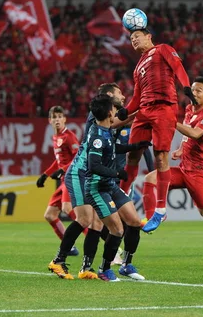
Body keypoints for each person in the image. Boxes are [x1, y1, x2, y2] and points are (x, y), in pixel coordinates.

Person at [141, 78, 203, 273]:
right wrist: (180, 149)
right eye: (193, 90)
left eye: (199, 91)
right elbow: (187, 137)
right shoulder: (189, 110)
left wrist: (172, 122)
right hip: (184, 167)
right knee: (150, 179)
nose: (194, 93)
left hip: (199, 172)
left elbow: (195, 133)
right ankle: (152, 218)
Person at [116, 28, 196, 233]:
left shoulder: (163, 49)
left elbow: (178, 67)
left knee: (161, 157)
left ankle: (160, 209)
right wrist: (126, 110)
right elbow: (136, 96)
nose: (134, 41)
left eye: (137, 37)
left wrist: (186, 87)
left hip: (164, 107)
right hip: (144, 111)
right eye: (131, 39)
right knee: (132, 155)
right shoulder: (137, 67)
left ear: (149, 36)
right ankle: (119, 197)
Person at [48, 83, 126, 280]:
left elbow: (117, 122)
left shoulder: (105, 116)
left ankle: (85, 267)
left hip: (90, 176)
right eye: (118, 94)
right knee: (83, 219)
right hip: (79, 172)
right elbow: (116, 122)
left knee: (97, 222)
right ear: (109, 99)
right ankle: (58, 260)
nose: (121, 97)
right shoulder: (97, 115)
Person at [85, 94, 151, 281]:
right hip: (97, 187)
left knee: (134, 222)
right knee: (117, 230)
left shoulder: (107, 131)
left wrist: (136, 146)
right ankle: (104, 269)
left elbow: (114, 149)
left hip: (110, 186)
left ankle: (126, 265)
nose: (116, 110)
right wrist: (116, 173)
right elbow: (93, 165)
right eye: (113, 108)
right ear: (108, 112)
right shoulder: (97, 135)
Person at [37, 106, 80, 257]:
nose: (57, 120)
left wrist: (63, 170)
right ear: (49, 121)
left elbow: (78, 158)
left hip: (71, 177)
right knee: (49, 215)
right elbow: (58, 162)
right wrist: (45, 175)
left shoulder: (69, 136)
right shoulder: (56, 137)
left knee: (67, 208)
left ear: (64, 119)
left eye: (59, 116)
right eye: (54, 117)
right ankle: (70, 247)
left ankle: (95, 234)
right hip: (63, 180)